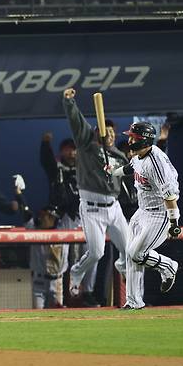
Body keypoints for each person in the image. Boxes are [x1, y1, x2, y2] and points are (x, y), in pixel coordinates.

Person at [62, 88, 128, 308]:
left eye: (112, 132)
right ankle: (77, 272)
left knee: (130, 250)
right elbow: (77, 123)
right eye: (105, 130)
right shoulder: (86, 145)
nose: (109, 134)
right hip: (91, 208)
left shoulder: (119, 156)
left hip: (114, 207)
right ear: (98, 130)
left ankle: (124, 269)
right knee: (97, 252)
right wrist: (70, 103)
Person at [105, 121, 181, 308]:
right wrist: (113, 172)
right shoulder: (139, 156)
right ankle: (134, 301)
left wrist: (174, 222)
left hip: (160, 214)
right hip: (142, 211)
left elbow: (170, 195)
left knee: (136, 253)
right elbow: (131, 168)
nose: (129, 139)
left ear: (143, 140)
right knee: (131, 257)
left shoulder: (156, 162)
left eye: (133, 137)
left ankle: (168, 266)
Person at [40, 132, 87, 305]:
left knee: (85, 260)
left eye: (74, 150)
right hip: (61, 218)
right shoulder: (57, 169)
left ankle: (80, 297)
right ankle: (57, 300)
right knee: (58, 261)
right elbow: (46, 162)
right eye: (67, 150)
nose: (71, 153)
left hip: (83, 217)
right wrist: (45, 145)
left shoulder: (84, 169)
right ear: (61, 152)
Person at [15, 174, 64, 308]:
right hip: (39, 280)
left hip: (58, 280)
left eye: (48, 216)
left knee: (59, 317)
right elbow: (25, 212)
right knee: (37, 315)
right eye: (43, 216)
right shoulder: (34, 229)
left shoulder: (63, 231)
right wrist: (19, 194)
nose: (44, 218)